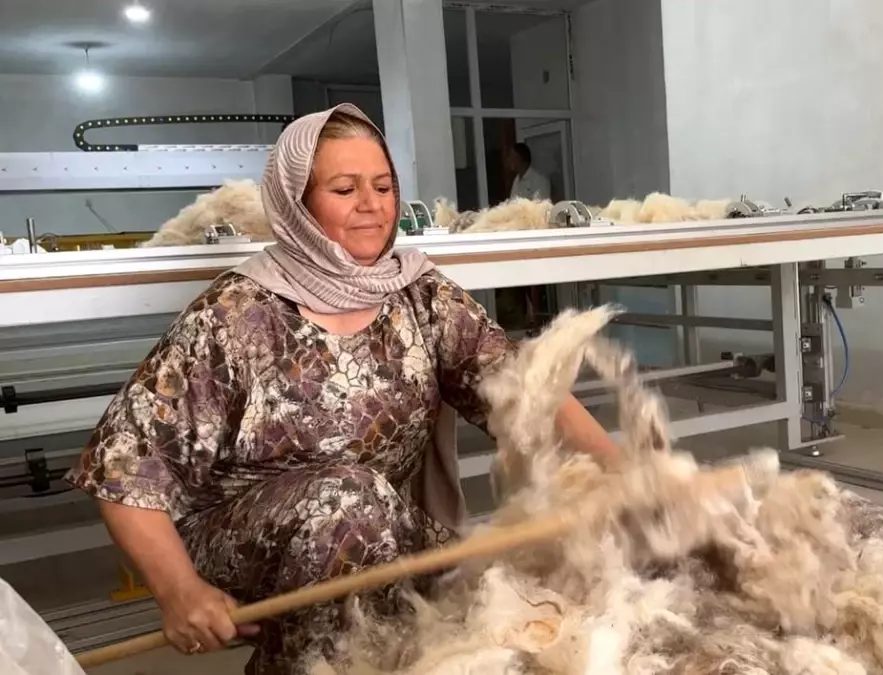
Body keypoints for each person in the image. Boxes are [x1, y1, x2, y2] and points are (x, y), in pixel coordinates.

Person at [66, 103, 618, 675]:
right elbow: (123, 466)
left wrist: (629, 473)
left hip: (379, 529)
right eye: (344, 189)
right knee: (347, 505)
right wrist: (178, 590)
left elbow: (525, 389)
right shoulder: (236, 315)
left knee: (502, 594)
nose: (371, 204)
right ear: (297, 204)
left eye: (383, 186)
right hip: (243, 542)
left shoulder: (419, 294)